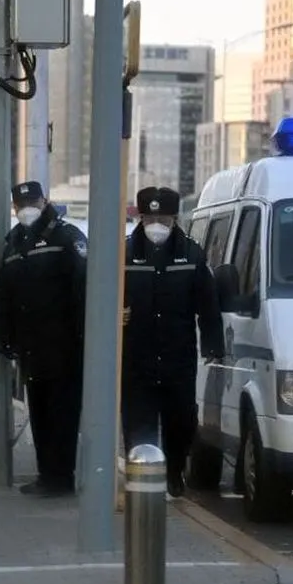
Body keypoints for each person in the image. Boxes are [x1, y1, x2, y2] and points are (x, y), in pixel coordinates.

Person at [121, 186, 225, 498]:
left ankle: (175, 470)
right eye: (149, 217)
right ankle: (140, 474)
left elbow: (208, 304)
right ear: (140, 218)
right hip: (136, 355)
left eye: (162, 218)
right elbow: (104, 296)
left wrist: (212, 345)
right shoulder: (124, 254)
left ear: (174, 219)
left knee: (180, 420)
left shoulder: (191, 254)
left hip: (177, 355)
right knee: (138, 420)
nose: (156, 225)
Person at [0, 180, 88, 497]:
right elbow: (4, 297)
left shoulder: (66, 237)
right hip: (31, 347)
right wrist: (4, 337)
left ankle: (61, 477)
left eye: (32, 203)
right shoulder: (13, 243)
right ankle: (46, 474)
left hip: (65, 346)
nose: (26, 210)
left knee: (62, 414)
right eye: (21, 206)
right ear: (14, 209)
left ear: (45, 201)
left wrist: (82, 337)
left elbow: (84, 289)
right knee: (39, 413)